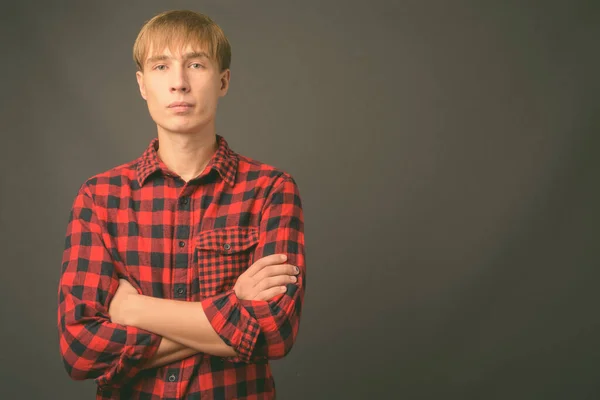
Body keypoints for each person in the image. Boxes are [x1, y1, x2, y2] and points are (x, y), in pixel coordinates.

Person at [57, 9, 306, 400]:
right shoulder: (99, 198)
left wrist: (134, 311)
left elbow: (274, 333)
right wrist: (233, 305)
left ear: (223, 81)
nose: (179, 83)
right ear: (142, 85)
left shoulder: (271, 189)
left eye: (195, 64)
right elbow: (81, 352)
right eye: (161, 66)